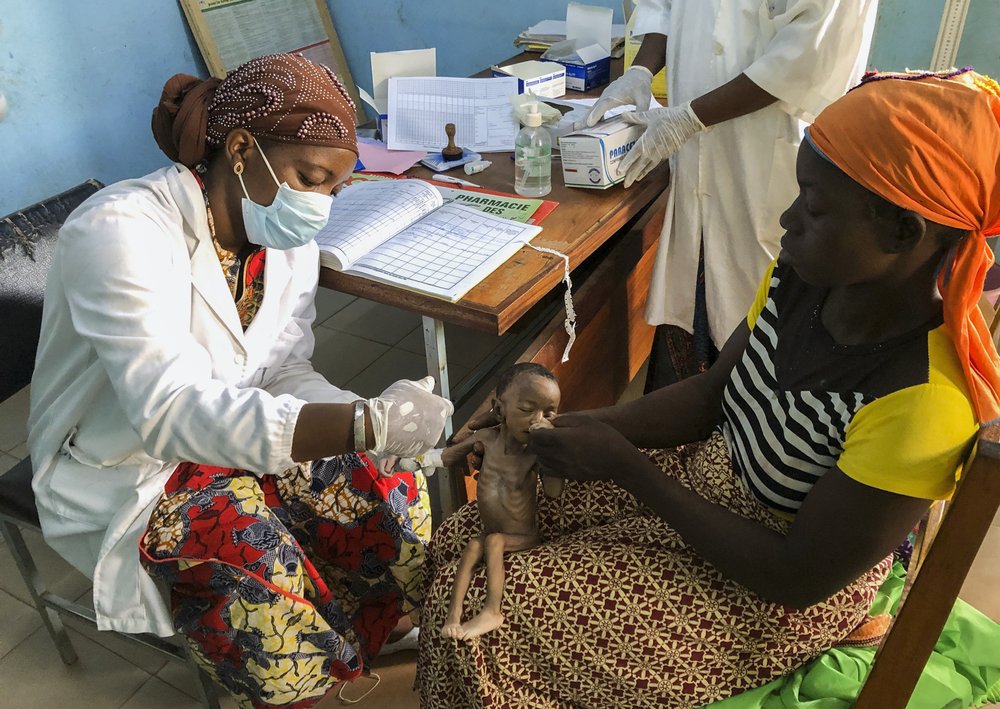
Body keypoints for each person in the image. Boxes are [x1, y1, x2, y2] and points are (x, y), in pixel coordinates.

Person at [417, 69, 1000, 707]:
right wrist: (570, 431)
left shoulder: (921, 401)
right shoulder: (799, 280)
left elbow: (796, 575)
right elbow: (710, 399)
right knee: (466, 536)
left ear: (902, 233)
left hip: (767, 592)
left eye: (815, 205)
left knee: (487, 619)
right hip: (705, 486)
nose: (787, 218)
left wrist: (630, 470)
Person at [26, 53, 452, 709]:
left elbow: (283, 369)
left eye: (333, 190)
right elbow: (170, 412)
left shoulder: (284, 237)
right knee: (254, 568)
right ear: (243, 148)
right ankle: (296, 685)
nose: (319, 206)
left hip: (236, 426)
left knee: (387, 482)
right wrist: (361, 422)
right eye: (310, 179)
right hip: (130, 464)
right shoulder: (120, 233)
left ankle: (372, 627)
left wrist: (371, 419)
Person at [577, 0, 878, 386]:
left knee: (763, 321)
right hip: (698, 153)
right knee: (691, 299)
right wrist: (640, 68)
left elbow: (807, 57)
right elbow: (666, 6)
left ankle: (736, 433)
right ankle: (680, 427)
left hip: (764, 149)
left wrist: (692, 117)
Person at [437, 363, 562, 641]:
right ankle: (453, 617)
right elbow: (446, 457)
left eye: (549, 413)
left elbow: (553, 492)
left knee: (494, 542)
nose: (536, 420)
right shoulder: (485, 439)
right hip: (491, 529)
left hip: (522, 536)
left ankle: (492, 610)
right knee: (473, 547)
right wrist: (412, 458)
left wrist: (550, 449)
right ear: (499, 409)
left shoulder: (534, 455)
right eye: (527, 410)